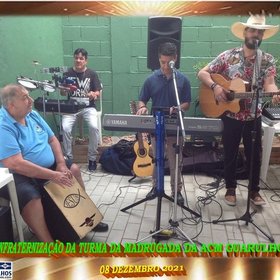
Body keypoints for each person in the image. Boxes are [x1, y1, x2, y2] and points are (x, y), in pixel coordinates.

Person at [0, 84, 108, 242]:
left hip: (49, 167)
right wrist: (54, 175)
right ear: (11, 105)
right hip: (18, 174)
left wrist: (61, 164)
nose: (30, 100)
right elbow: (16, 164)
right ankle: (48, 243)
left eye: (29, 96)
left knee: (74, 169)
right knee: (31, 197)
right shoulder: (4, 126)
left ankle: (86, 219)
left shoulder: (32, 115)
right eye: (25, 98)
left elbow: (52, 139)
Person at [198, 14, 279, 206]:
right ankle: (230, 189)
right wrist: (215, 87)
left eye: (259, 31)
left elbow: (270, 85)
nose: (256, 34)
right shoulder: (228, 56)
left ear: (262, 35)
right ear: (245, 32)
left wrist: (275, 93)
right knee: (230, 153)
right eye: (252, 30)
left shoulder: (267, 60)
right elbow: (202, 72)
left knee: (254, 155)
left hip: (253, 115)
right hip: (231, 115)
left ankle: (254, 192)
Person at [137, 42, 191, 206]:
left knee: (175, 162)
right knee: (157, 160)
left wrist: (178, 108)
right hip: (157, 128)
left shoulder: (182, 80)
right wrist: (143, 107)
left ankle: (177, 192)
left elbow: (187, 103)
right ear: (159, 60)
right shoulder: (151, 79)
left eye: (169, 62)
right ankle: (156, 187)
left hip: (174, 128)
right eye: (162, 62)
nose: (166, 66)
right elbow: (142, 100)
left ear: (175, 58)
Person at [61, 48, 102, 172]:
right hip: (71, 107)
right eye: (76, 58)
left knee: (94, 127)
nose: (78, 60)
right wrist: (64, 90)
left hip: (88, 107)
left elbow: (98, 92)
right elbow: (63, 93)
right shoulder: (67, 73)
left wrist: (93, 94)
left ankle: (92, 159)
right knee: (66, 129)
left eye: (81, 58)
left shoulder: (92, 74)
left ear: (86, 61)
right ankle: (68, 159)